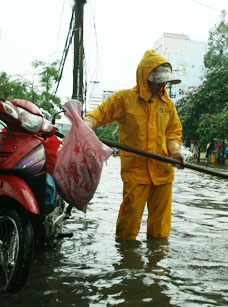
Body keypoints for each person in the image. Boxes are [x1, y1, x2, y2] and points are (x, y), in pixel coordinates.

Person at [83, 49, 184, 240]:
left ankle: (156, 264)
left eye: (164, 80)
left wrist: (176, 151)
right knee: (128, 222)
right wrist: (86, 126)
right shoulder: (124, 99)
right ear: (145, 77)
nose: (162, 84)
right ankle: (127, 261)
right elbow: (99, 115)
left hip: (163, 170)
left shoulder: (168, 105)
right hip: (135, 170)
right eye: (158, 80)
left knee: (160, 227)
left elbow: (173, 132)